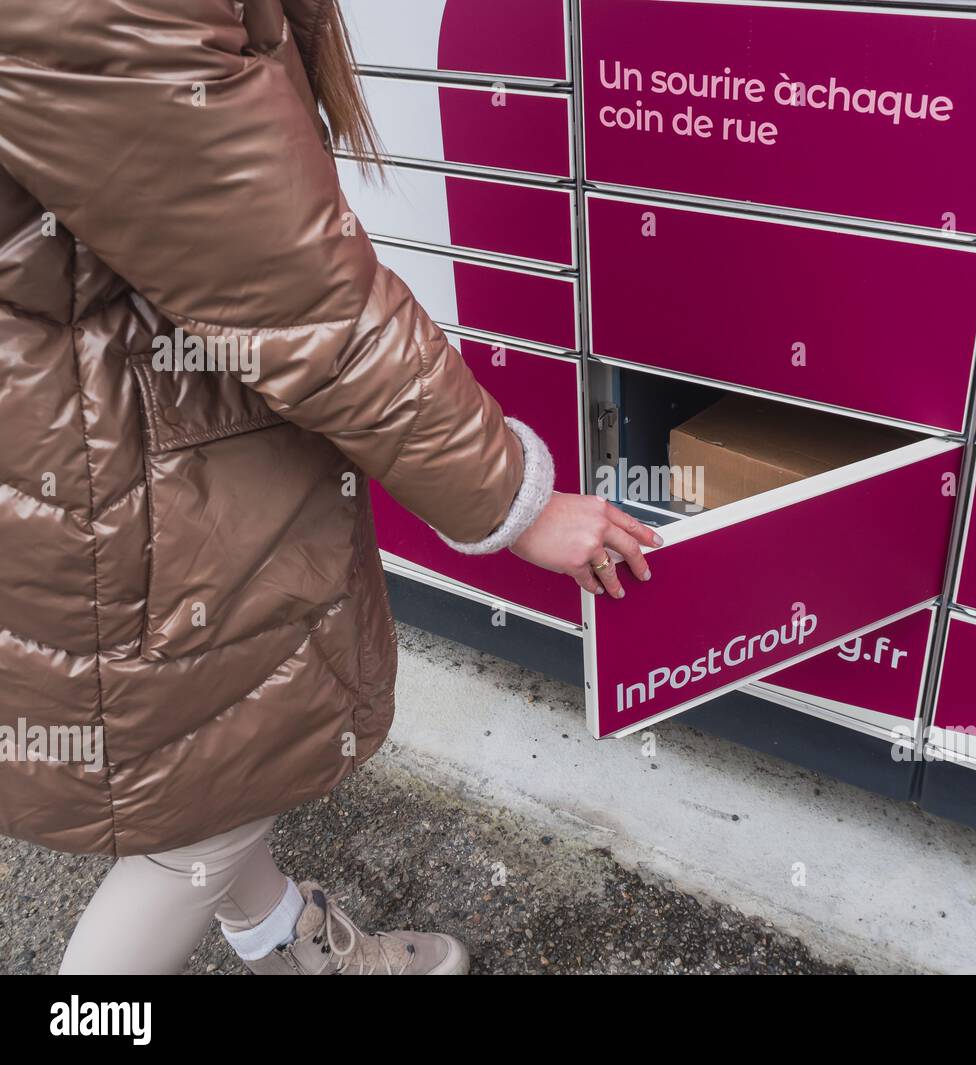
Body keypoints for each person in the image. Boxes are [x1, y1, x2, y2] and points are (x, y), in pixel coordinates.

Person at [0, 0, 657, 975]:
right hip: (120, 473)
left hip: (80, 441)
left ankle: (285, 941)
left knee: (215, 758)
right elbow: (303, 302)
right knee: (193, 832)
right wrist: (513, 495)